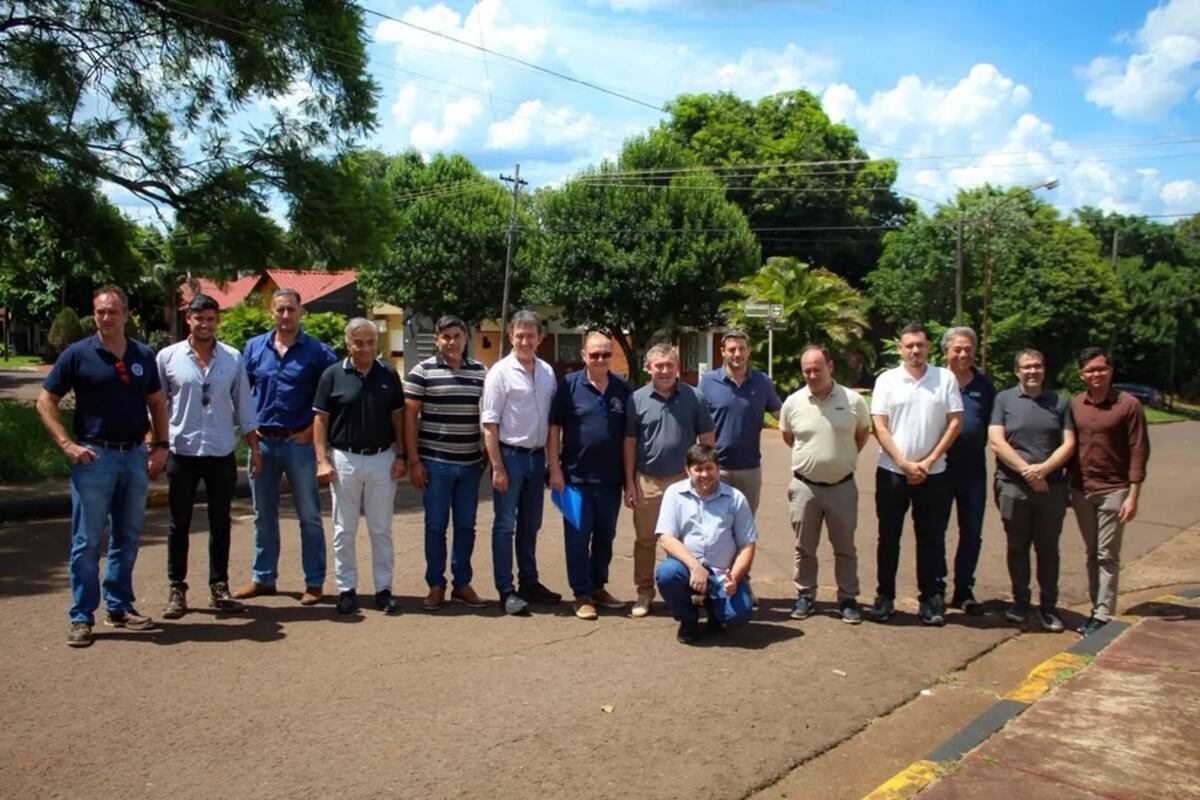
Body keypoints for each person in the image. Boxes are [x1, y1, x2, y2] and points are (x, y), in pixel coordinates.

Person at [36, 286, 170, 647]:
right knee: (87, 541)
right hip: (95, 457)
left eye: (112, 312)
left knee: (127, 537)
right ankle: (81, 616)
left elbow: (156, 402)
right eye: (100, 312)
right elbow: (45, 400)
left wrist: (161, 446)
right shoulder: (78, 355)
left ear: (126, 315)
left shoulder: (143, 354)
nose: (106, 318)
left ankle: (119, 605)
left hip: (135, 457)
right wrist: (67, 444)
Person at [156, 293, 260, 620]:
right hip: (182, 451)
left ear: (218, 320)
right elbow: (156, 405)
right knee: (179, 523)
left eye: (211, 318)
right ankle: (177, 588)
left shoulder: (232, 358)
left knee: (221, 522)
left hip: (220, 451)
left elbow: (244, 404)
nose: (204, 324)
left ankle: (219, 586)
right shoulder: (167, 357)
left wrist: (255, 448)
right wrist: (155, 446)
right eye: (198, 318)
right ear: (189, 319)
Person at [234, 289, 337, 605]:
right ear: (271, 312)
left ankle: (315, 582)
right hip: (263, 442)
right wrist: (249, 434)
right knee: (263, 514)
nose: (285, 315)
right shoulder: (253, 349)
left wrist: (311, 431)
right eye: (280, 310)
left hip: (299, 443)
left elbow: (333, 396)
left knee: (308, 515)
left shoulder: (318, 352)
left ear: (301, 312)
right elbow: (240, 392)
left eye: (291, 310)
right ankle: (263, 578)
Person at [870, 323, 963, 626]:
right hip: (892, 473)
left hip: (934, 474)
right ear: (900, 348)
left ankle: (930, 599)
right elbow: (879, 426)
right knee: (889, 539)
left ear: (928, 347)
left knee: (931, 539)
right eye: (909, 345)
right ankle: (885, 597)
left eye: (920, 345)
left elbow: (955, 422)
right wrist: (904, 463)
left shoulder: (944, 379)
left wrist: (928, 461)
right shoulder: (887, 380)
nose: (914, 351)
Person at [313, 319, 407, 615]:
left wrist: (401, 455)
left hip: (382, 457)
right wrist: (321, 460)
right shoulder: (331, 375)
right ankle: (346, 589)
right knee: (344, 529)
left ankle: (383, 589)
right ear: (348, 343)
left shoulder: (388, 374)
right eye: (359, 342)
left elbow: (398, 418)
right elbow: (320, 420)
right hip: (344, 458)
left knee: (381, 528)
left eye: (370, 342)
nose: (365, 348)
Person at [779, 345, 871, 624]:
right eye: (806, 370)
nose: (811, 375)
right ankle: (805, 594)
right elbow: (788, 436)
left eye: (817, 368)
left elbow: (862, 434)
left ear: (830, 366)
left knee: (845, 547)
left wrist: (838, 459)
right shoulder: (793, 403)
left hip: (842, 487)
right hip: (805, 488)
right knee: (804, 547)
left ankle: (847, 598)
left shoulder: (853, 400)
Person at [404, 314, 489, 611]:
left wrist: (487, 458)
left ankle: (462, 584)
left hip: (470, 464)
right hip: (435, 464)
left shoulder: (481, 372)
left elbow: (489, 417)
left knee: (466, 526)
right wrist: (413, 461)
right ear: (437, 340)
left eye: (457, 336)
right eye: (445, 337)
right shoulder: (421, 372)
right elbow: (409, 417)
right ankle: (436, 585)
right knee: (435, 527)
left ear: (466, 338)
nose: (451, 342)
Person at [624, 343, 715, 618]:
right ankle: (644, 591)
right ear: (649, 368)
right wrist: (629, 481)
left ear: (677, 367)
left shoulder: (694, 397)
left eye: (669, 365)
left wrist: (708, 477)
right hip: (647, 480)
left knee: (688, 540)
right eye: (659, 366)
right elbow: (629, 442)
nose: (664, 371)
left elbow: (707, 440)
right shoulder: (636, 399)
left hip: (683, 482)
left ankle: (689, 592)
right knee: (645, 540)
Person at [989, 349, 1076, 633]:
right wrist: (1028, 471)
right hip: (1013, 485)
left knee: (1048, 549)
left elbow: (1069, 443)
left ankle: (1048, 607)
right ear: (1017, 372)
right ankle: (1020, 601)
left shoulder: (1060, 403)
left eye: (1037, 366)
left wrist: (1043, 471)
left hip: (1051, 488)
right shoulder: (1004, 400)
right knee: (1017, 546)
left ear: (1044, 369)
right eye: (1026, 367)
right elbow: (997, 442)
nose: (1032, 371)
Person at [480, 310, 560, 616]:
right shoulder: (499, 373)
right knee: (504, 526)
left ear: (541, 338)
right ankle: (506, 590)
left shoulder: (547, 372)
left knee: (531, 525)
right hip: (510, 457)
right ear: (511, 336)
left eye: (531, 335)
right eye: (519, 335)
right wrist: (497, 466)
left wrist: (553, 463)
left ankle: (529, 582)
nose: (525, 341)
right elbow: (489, 423)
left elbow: (553, 423)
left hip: (536, 457)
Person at [547, 332, 632, 620]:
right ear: (584, 355)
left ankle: (598, 588)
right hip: (575, 480)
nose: (599, 360)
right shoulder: (569, 385)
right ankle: (581, 594)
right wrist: (555, 468)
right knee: (577, 539)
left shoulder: (622, 387)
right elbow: (554, 427)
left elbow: (628, 437)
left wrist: (629, 480)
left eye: (605, 354)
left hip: (610, 480)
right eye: (594, 354)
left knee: (605, 538)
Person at [1069, 346, 1149, 637]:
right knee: (1092, 552)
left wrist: (1133, 495)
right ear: (1082, 374)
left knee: (1107, 553)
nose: (1096, 374)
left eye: (1101, 368)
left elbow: (1139, 450)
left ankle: (1103, 614)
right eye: (1090, 370)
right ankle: (1096, 608)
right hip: (1081, 489)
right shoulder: (1076, 404)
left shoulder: (1128, 405)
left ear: (1111, 370)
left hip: (1114, 489)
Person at [654, 444, 756, 645]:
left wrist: (734, 578)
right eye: (698, 469)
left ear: (717, 469)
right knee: (666, 573)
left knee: (739, 614)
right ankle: (688, 618)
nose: (704, 474)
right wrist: (695, 567)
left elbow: (747, 545)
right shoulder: (674, 494)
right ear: (687, 470)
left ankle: (715, 611)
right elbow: (666, 537)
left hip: (722, 573)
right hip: (687, 570)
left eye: (709, 468)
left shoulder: (735, 498)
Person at [941, 327, 996, 615]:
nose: (963, 354)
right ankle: (936, 588)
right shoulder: (934, 382)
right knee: (935, 532)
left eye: (968, 349)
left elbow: (993, 427)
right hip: (939, 470)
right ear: (946, 351)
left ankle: (963, 589)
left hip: (973, 472)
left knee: (971, 533)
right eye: (957, 349)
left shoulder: (985, 386)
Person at [697, 330, 782, 512]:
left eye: (742, 349)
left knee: (746, 524)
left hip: (749, 469)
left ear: (748, 351)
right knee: (715, 523)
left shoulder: (762, 382)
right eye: (732, 349)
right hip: (717, 468)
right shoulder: (707, 382)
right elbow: (695, 420)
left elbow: (780, 415)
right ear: (722, 351)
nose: (737, 354)